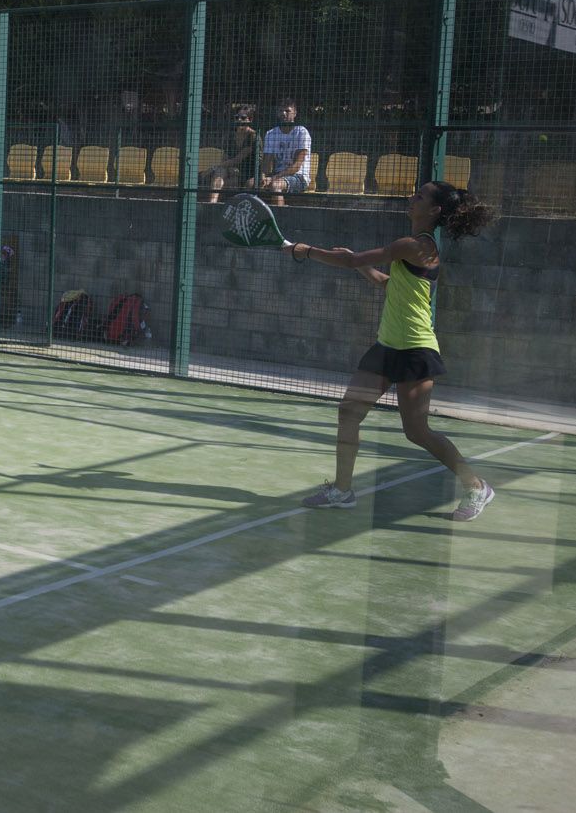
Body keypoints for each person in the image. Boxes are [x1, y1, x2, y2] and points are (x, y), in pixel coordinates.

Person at [289, 181, 499, 522]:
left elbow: (353, 258)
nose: (411, 199)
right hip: (386, 345)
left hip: (416, 348)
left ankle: (477, 486)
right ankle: (342, 490)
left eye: (420, 196)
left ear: (433, 211)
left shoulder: (416, 244)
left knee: (417, 431)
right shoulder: (411, 249)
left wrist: (305, 250)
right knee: (349, 412)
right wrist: (359, 266)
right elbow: (388, 283)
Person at [255, 100, 312, 205]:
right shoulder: (271, 133)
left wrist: (273, 178)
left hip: (299, 177)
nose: (283, 113)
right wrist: (263, 178)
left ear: (295, 113)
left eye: (287, 111)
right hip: (277, 174)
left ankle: (279, 218)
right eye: (281, 111)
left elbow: (296, 166)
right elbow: (266, 164)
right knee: (250, 184)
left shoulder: (302, 132)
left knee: (275, 185)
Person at [207, 106, 260, 204]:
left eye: (243, 118)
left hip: (248, 174)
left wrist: (213, 168)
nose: (239, 120)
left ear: (250, 119)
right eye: (237, 117)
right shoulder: (231, 136)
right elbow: (225, 158)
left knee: (222, 181)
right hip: (232, 170)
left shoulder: (253, 136)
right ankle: (212, 204)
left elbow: (238, 159)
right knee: (220, 172)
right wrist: (228, 168)